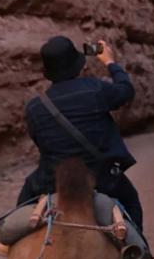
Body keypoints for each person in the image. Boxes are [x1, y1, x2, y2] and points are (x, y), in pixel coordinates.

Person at [18, 35, 144, 232]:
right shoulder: (95, 89)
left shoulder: (35, 108)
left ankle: (8, 244)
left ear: (48, 72)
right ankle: (137, 250)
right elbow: (126, 91)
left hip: (53, 181)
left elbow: (40, 142)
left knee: (20, 210)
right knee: (131, 201)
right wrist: (110, 62)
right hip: (102, 179)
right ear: (78, 65)